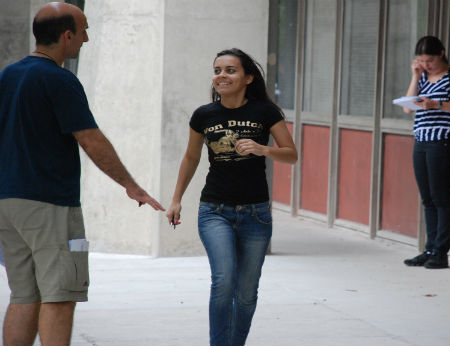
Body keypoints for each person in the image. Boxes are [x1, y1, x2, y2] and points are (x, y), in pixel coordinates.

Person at [0, 3, 165, 346]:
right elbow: (90, 139)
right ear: (67, 35)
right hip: (49, 202)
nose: (87, 38)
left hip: (8, 201)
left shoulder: (8, 75)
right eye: (84, 30)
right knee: (60, 295)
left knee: (24, 295)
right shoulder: (60, 80)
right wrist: (131, 186)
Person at [166, 48, 297, 346]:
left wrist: (263, 149)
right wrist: (176, 199)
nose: (221, 76)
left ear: (248, 78)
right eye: (217, 70)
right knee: (224, 282)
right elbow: (190, 158)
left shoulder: (265, 112)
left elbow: (291, 154)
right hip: (215, 210)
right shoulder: (204, 115)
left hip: (256, 214)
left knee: (247, 292)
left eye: (230, 70)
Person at [402, 36, 450, 269]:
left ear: (442, 53)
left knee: (440, 197)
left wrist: (438, 104)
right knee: (427, 199)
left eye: (430, 60)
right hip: (421, 140)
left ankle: (441, 252)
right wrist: (415, 76)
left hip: (442, 141)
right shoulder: (422, 76)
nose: (427, 65)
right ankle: (430, 248)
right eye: (422, 61)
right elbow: (407, 107)